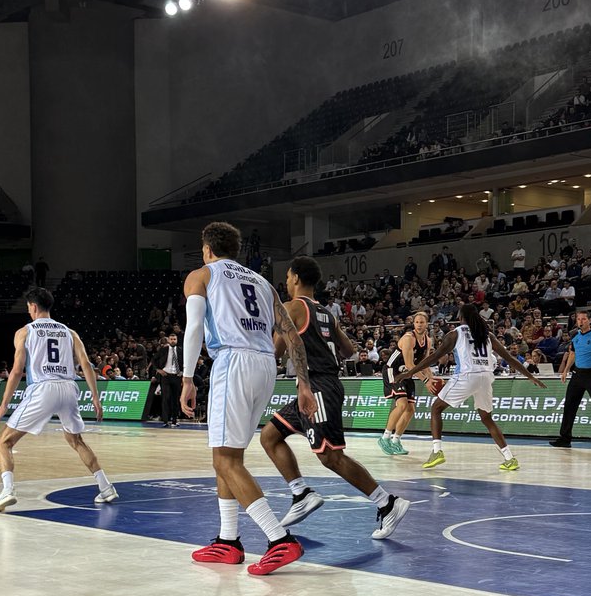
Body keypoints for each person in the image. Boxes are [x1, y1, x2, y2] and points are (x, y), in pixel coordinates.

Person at [181, 221, 317, 576]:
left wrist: (187, 377)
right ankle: (228, 540)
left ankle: (278, 539)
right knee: (227, 455)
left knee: (226, 460)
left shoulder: (201, 275)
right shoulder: (263, 283)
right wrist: (303, 383)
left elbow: (193, 328)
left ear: (207, 248)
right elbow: (291, 335)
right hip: (265, 364)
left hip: (233, 361)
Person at [261, 257, 410, 540]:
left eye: (288, 276)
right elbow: (349, 349)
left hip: (317, 387)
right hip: (322, 384)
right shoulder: (326, 312)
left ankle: (387, 503)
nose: (287, 281)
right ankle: (300, 493)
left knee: (331, 457)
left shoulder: (292, 307)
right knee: (270, 436)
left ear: (295, 278)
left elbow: (274, 352)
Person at [0, 287, 117, 512]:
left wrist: (4, 404)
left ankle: (7, 491)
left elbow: (17, 371)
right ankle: (106, 487)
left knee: (4, 442)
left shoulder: (25, 331)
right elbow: (86, 365)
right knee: (76, 440)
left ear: (33, 306)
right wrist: (95, 398)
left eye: (28, 307)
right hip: (69, 388)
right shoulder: (69, 332)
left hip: (43, 388)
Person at [399, 302, 545, 473]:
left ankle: (437, 451)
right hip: (486, 377)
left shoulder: (456, 333)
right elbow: (509, 358)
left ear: (461, 317)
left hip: (467, 376)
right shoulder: (487, 334)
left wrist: (410, 373)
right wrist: (530, 376)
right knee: (486, 418)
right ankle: (509, 458)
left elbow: (434, 357)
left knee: (436, 408)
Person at [549, 311, 591, 451]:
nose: (581, 321)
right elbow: (573, 353)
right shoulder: (575, 336)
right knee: (569, 406)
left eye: (584, 319)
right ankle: (565, 438)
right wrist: (566, 370)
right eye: (579, 319)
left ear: (589, 320)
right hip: (577, 375)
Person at [380, 312, 432, 455]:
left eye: (422, 322)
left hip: (407, 374)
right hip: (393, 371)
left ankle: (396, 441)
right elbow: (410, 364)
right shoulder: (409, 338)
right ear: (413, 324)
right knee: (402, 404)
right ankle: (385, 438)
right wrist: (426, 381)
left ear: (427, 324)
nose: (419, 325)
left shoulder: (428, 341)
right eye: (417, 322)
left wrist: (432, 380)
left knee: (410, 410)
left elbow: (424, 364)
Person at [157, 333, 183, 426]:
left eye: (174, 339)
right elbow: (154, 360)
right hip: (166, 376)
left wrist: (182, 372)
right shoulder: (163, 350)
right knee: (166, 398)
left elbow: (186, 362)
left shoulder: (181, 350)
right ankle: (165, 420)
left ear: (177, 340)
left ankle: (174, 420)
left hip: (176, 376)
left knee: (175, 399)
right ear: (168, 340)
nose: (173, 341)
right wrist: (159, 370)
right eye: (171, 339)